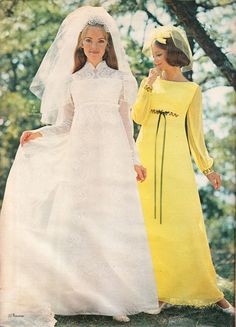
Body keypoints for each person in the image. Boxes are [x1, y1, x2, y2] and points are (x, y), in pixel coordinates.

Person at [0, 7, 159, 327]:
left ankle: (114, 298)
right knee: (80, 223)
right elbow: (65, 124)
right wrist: (39, 133)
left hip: (112, 158)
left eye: (101, 41)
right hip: (80, 159)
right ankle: (77, 295)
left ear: (108, 45)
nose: (95, 45)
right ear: (80, 44)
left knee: (111, 222)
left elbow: (126, 124)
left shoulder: (120, 79)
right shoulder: (73, 80)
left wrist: (135, 160)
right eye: (88, 40)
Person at [132, 25, 235, 314]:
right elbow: (138, 117)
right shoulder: (148, 83)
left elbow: (195, 135)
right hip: (145, 163)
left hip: (177, 167)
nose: (155, 60)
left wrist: (208, 168)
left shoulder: (192, 90)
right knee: (149, 225)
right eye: (153, 55)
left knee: (185, 226)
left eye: (160, 54)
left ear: (174, 54)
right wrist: (148, 86)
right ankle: (158, 292)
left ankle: (213, 293)